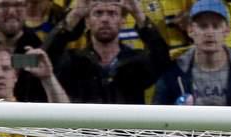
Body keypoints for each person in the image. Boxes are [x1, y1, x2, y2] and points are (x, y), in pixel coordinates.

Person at [44, 0, 172, 104]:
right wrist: (76, 14)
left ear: (123, 21)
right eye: (98, 13)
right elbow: (45, 59)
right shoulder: (73, 62)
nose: (105, 19)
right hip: (85, 128)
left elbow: (162, 58)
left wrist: (138, 13)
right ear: (87, 21)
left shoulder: (136, 62)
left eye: (112, 13)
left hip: (126, 128)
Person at [154, 0, 231, 107]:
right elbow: (158, 111)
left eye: (216, 26)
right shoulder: (173, 73)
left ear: (227, 31)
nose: (209, 33)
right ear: (190, 30)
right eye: (203, 26)